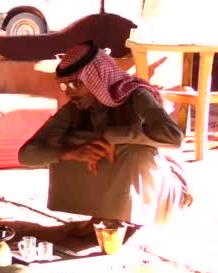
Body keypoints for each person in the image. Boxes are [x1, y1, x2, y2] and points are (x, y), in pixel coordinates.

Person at [18, 40, 192, 236]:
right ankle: (104, 215)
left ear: (97, 78)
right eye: (64, 85)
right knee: (71, 145)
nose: (70, 92)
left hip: (161, 191)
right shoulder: (76, 107)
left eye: (76, 83)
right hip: (118, 195)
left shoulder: (136, 95)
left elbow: (174, 137)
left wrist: (113, 136)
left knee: (134, 150)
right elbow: (26, 155)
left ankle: (125, 217)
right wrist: (71, 153)